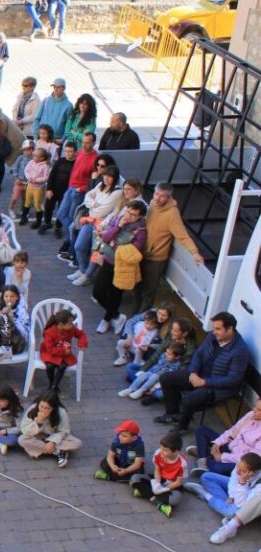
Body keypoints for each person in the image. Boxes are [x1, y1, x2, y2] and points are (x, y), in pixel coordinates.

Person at [156, 311, 249, 431]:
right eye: (214, 328)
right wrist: (193, 371)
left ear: (230, 329)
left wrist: (204, 382)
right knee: (166, 378)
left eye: (218, 329)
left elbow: (233, 379)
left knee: (189, 399)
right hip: (199, 375)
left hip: (216, 387)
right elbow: (199, 353)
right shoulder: (213, 336)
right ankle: (173, 414)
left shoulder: (239, 351)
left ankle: (182, 427)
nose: (214, 331)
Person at [136, 183, 204, 313]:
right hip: (141, 253)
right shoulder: (152, 203)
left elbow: (183, 236)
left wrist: (195, 253)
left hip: (156, 259)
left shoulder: (172, 214)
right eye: (156, 194)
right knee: (137, 285)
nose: (157, 198)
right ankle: (135, 312)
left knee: (149, 291)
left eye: (162, 196)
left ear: (169, 197)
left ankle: (142, 317)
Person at [92, 199, 147, 334]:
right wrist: (118, 227)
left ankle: (107, 319)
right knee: (98, 292)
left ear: (140, 216)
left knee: (115, 295)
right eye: (128, 212)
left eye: (133, 215)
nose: (128, 216)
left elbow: (132, 250)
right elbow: (106, 238)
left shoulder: (141, 231)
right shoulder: (119, 220)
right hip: (107, 261)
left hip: (123, 268)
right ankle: (117, 315)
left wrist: (114, 244)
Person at [189, 397, 261, 480]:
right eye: (255, 407)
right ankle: (203, 462)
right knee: (201, 430)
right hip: (230, 446)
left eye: (259, 410)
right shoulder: (250, 415)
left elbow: (250, 459)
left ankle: (204, 453)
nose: (254, 410)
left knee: (217, 468)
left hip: (239, 460)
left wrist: (222, 457)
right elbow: (232, 430)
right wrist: (217, 443)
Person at [130, 432, 188, 517]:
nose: (161, 451)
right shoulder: (158, 453)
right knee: (135, 478)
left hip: (172, 484)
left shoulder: (182, 463)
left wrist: (164, 488)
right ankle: (159, 503)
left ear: (175, 452)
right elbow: (157, 469)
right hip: (161, 478)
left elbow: (179, 482)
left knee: (174, 500)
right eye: (161, 448)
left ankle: (145, 493)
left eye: (165, 450)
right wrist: (157, 482)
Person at [18, 393, 81, 467]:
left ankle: (40, 449)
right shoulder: (33, 409)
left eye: (47, 408)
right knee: (21, 439)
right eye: (41, 406)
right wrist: (38, 422)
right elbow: (24, 429)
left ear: (53, 408)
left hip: (54, 436)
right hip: (37, 436)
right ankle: (57, 452)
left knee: (77, 443)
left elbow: (63, 431)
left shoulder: (61, 412)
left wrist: (52, 442)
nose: (43, 410)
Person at [39, 308, 87, 393]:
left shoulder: (71, 329)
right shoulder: (49, 332)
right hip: (50, 353)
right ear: (61, 324)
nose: (72, 325)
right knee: (50, 366)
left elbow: (81, 334)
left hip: (64, 354)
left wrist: (82, 343)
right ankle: (51, 383)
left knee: (62, 366)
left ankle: (54, 386)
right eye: (70, 323)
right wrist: (63, 351)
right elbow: (50, 349)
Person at [33, 78, 72, 144]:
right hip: (42, 138)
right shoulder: (45, 100)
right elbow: (37, 118)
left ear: (64, 88)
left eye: (58, 87)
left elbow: (69, 125)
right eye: (54, 87)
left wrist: (62, 139)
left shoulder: (68, 105)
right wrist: (36, 135)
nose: (55, 89)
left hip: (56, 140)